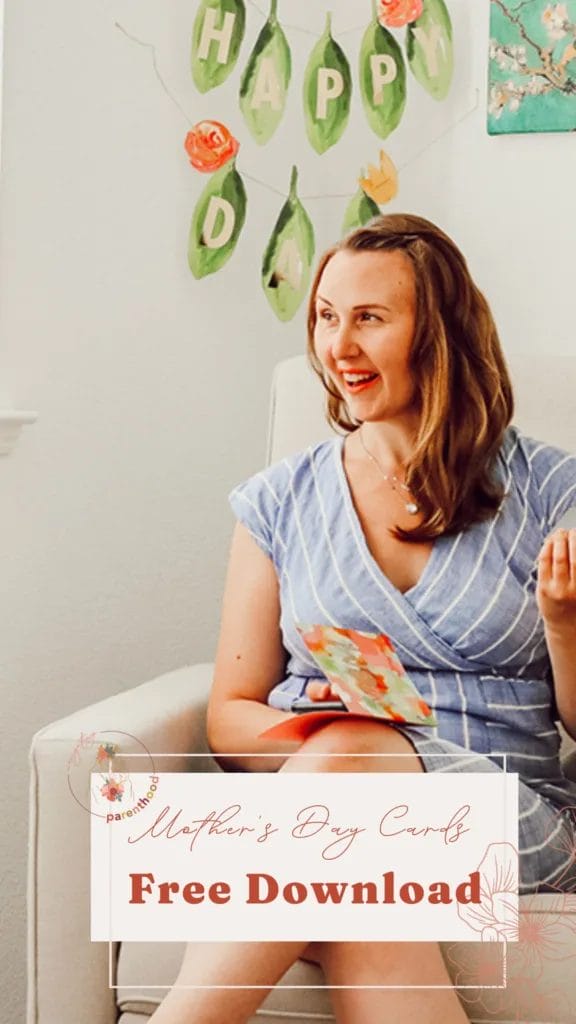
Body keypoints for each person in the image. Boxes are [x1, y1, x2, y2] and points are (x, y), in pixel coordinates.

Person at [150, 214, 576, 1024]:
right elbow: (230, 717)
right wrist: (317, 733)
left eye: (370, 318)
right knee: (353, 858)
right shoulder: (277, 501)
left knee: (342, 783)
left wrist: (563, 623)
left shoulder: (555, 491)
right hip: (336, 800)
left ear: (439, 334)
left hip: (507, 816)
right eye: (325, 316)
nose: (338, 345)